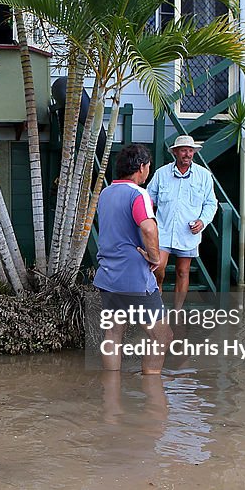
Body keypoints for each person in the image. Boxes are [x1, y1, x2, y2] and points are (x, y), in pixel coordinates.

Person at [93, 143, 172, 374]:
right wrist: (155, 257)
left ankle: (112, 396)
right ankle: (153, 393)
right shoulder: (138, 194)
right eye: (148, 166)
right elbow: (148, 228)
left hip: (108, 276)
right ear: (141, 167)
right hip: (134, 278)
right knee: (162, 335)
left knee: (114, 333)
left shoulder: (106, 193)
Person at [146, 135, 218, 311]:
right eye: (184, 150)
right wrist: (149, 222)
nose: (188, 154)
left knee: (183, 271)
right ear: (176, 152)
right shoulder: (161, 173)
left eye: (191, 150)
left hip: (188, 233)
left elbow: (211, 203)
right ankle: (158, 302)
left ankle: (177, 310)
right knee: (158, 268)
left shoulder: (204, 176)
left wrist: (203, 221)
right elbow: (148, 199)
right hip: (163, 230)